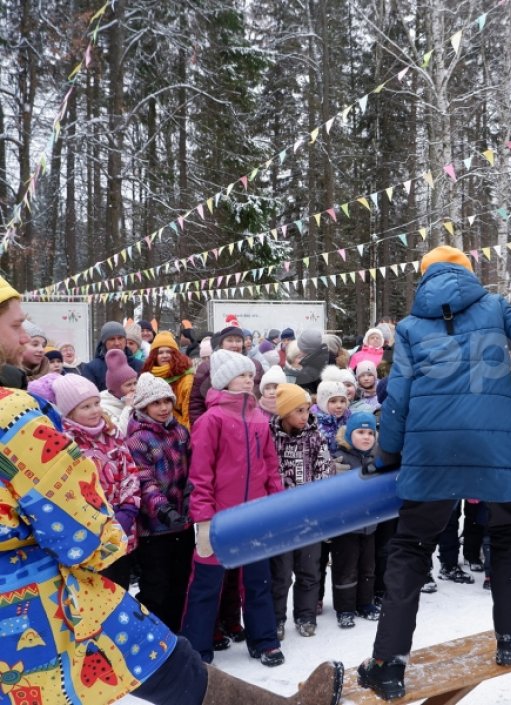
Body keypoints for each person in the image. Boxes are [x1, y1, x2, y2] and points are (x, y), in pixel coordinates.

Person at [0, 278, 344, 705]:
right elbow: (82, 533)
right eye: (16, 325)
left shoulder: (251, 418)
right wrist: (124, 527)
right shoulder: (13, 415)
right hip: (39, 601)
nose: (26, 335)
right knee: (161, 657)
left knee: (161, 659)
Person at [356, 245, 511, 700]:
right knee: (507, 535)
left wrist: (388, 454)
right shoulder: (495, 307)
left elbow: (398, 396)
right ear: (467, 273)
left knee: (410, 547)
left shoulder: (408, 327)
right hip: (495, 445)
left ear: (424, 278)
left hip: (430, 449)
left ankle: (387, 664)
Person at [182, 349, 285, 666]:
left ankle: (264, 640)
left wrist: (275, 505)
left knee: (258, 582)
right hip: (218, 519)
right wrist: (203, 520)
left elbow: (271, 467)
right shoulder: (211, 420)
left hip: (253, 517)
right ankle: (196, 648)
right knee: (206, 586)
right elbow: (200, 474)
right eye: (241, 375)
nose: (248, 380)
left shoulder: (259, 419)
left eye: (250, 375)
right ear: (225, 381)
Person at [54, 373, 141, 589]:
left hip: (121, 528)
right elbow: (66, 488)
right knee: (96, 591)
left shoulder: (111, 433)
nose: (95, 410)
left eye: (96, 403)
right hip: (89, 533)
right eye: (85, 407)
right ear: (70, 412)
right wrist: (95, 519)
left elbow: (129, 470)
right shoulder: (65, 442)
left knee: (120, 588)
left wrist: (128, 509)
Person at [125, 372, 195, 632]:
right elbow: (143, 480)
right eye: (156, 403)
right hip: (153, 528)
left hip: (183, 523)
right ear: (143, 406)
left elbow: (193, 467)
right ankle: (152, 636)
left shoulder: (180, 431)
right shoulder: (137, 439)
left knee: (180, 583)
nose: (164, 407)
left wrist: (192, 493)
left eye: (167, 400)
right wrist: (162, 509)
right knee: (156, 586)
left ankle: (176, 634)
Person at [269, 383, 335, 640]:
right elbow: (268, 472)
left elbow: (325, 470)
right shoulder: (270, 436)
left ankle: (305, 616)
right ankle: (277, 618)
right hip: (281, 519)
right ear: (284, 412)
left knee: (309, 571)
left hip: (309, 518)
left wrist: (315, 503)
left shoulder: (315, 436)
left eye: (306, 409)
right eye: (298, 410)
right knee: (281, 574)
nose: (304, 415)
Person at [331, 410, 382, 629]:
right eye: (360, 432)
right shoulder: (340, 458)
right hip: (347, 526)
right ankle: (344, 608)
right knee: (346, 568)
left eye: (370, 432)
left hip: (370, 525)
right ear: (350, 433)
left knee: (368, 566)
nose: (366, 437)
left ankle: (365, 603)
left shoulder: (377, 457)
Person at [142, 330, 196, 428]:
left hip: (179, 431)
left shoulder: (186, 379)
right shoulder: (148, 377)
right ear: (154, 356)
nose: (165, 355)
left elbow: (188, 415)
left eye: (169, 352)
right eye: (160, 352)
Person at [80, 321, 144, 391]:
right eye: (112, 339)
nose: (117, 343)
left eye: (120, 338)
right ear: (104, 342)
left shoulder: (139, 366)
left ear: (125, 340)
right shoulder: (91, 369)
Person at [101, 348, 139, 433]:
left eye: (135, 383)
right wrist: (128, 407)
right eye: (129, 385)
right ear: (116, 389)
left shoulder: (137, 399)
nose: (133, 388)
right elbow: (120, 433)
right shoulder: (104, 408)